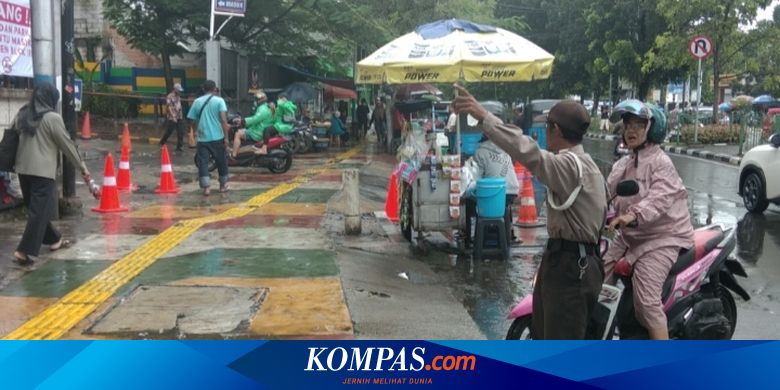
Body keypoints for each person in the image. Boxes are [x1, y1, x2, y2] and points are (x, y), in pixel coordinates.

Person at [454, 84, 607, 340]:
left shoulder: (570, 166)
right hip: (562, 261)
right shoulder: (581, 164)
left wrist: (484, 116)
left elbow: (528, 150)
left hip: (572, 267)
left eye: (547, 127)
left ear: (555, 130)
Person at [604, 99, 694, 340]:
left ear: (651, 128)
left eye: (638, 124)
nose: (631, 130)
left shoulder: (661, 163)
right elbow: (606, 192)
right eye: (627, 124)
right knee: (598, 276)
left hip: (663, 237)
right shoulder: (624, 163)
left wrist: (633, 215)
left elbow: (659, 198)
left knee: (645, 302)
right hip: (630, 235)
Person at [12, 82, 93, 265]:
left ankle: (54, 238)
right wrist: (83, 169)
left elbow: (11, 136)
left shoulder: (22, 114)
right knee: (38, 212)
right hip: (43, 173)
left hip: (23, 171)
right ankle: (26, 251)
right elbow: (68, 146)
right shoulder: (52, 118)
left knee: (36, 210)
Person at [462, 135, 521, 248]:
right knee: (504, 207)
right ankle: (509, 234)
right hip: (512, 190)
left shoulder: (480, 152)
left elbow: (477, 180)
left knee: (470, 202)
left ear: (483, 141)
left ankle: (471, 238)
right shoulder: (505, 151)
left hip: (497, 192)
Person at [187, 80, 230, 196]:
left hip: (202, 138)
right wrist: (226, 138)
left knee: (203, 163)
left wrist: (195, 131)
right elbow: (223, 120)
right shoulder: (220, 101)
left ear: (203, 89)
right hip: (217, 137)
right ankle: (223, 186)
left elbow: (191, 120)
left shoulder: (196, 102)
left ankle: (206, 188)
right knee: (221, 161)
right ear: (215, 89)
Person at [232, 91, 274, 156]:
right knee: (243, 130)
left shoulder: (262, 109)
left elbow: (255, 119)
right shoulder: (266, 107)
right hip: (259, 129)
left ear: (260, 100)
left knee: (238, 133)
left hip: (257, 133)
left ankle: (233, 156)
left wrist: (242, 121)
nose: (255, 101)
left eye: (256, 99)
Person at [159, 83, 185, 151]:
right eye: (179, 90)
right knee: (169, 131)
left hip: (179, 116)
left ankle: (179, 146)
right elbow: (169, 107)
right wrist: (173, 116)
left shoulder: (178, 96)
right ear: (175, 89)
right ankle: (162, 141)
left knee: (180, 131)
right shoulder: (170, 96)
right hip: (172, 117)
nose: (180, 92)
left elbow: (179, 106)